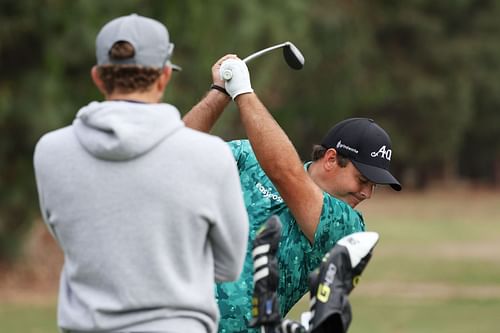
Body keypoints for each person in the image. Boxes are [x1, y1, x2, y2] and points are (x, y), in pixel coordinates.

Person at [33, 15, 248, 333]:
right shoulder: (210, 156)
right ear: (163, 76)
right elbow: (229, 265)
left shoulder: (50, 151)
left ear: (98, 77)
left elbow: (66, 234)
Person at [183, 56, 402, 332]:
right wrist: (220, 93)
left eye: (375, 186)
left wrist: (243, 93)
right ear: (332, 159)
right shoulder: (248, 158)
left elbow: (285, 175)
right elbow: (175, 155)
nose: (368, 193)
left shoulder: (347, 226)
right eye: (362, 179)